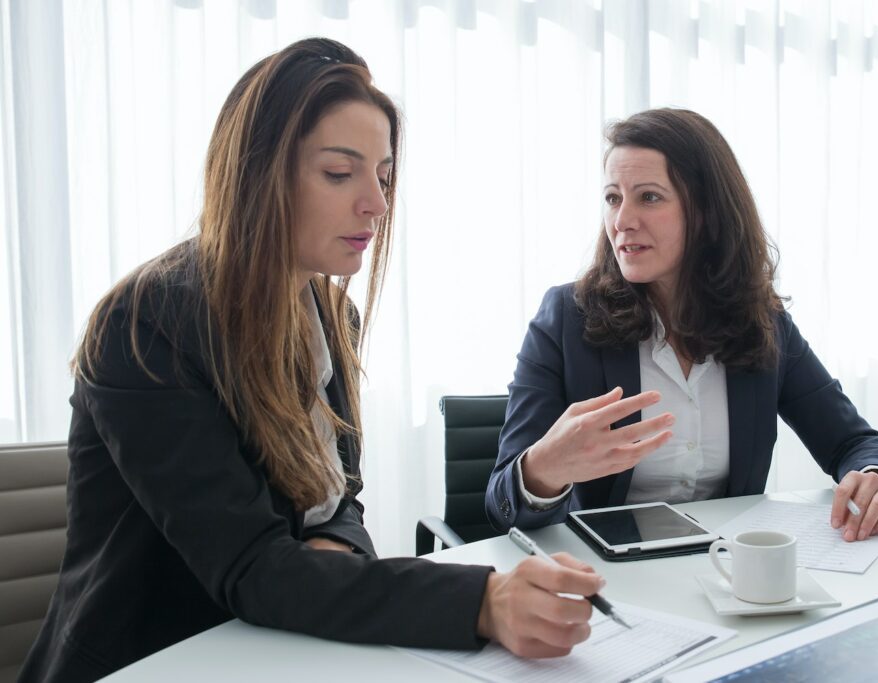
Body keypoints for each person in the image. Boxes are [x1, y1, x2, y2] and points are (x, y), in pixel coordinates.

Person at [20, 38, 601, 683]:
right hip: (157, 658)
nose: (377, 205)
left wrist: (331, 551)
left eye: (381, 175)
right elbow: (250, 565)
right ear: (257, 173)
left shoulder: (328, 313)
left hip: (283, 645)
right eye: (338, 172)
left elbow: (338, 498)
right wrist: (483, 600)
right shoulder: (146, 325)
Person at [486, 108, 878, 541]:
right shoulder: (564, 318)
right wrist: (544, 469)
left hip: (730, 575)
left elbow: (853, 443)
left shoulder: (764, 323)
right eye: (613, 197)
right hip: (608, 578)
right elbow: (502, 504)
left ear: (706, 211)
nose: (622, 220)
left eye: (648, 197)